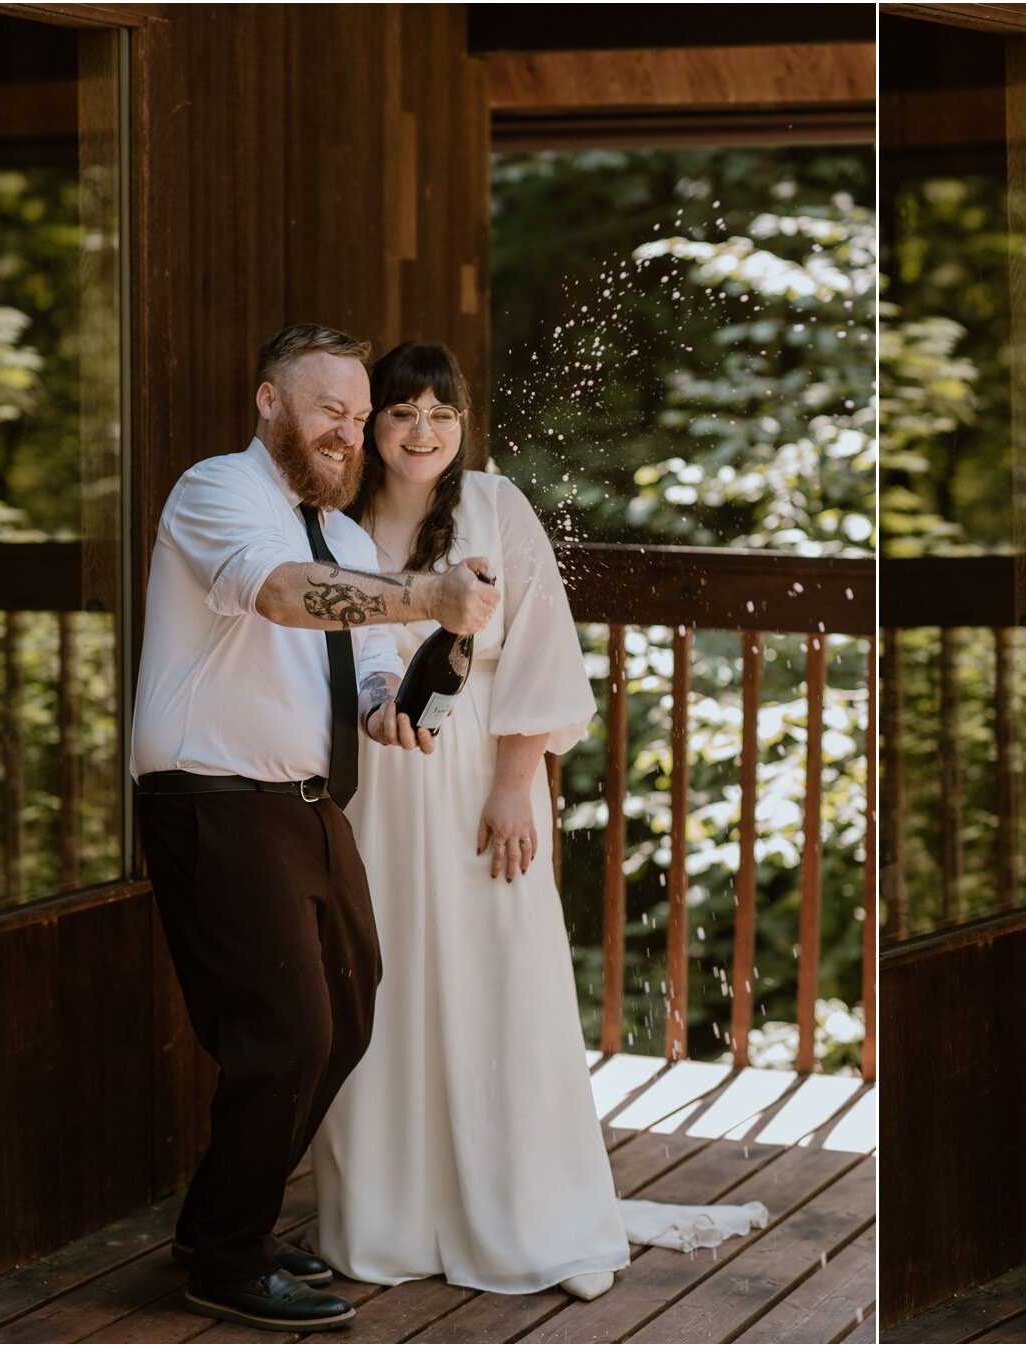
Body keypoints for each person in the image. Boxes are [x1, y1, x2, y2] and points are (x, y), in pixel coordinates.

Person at [310, 342, 763, 1300]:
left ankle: (515, 1204)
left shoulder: (493, 505)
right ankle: (391, 1217)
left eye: (441, 412)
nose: (422, 432)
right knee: (382, 979)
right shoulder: (334, 525)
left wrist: (516, 782)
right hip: (377, 781)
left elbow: (542, 650)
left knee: (493, 976)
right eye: (401, 413)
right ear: (373, 426)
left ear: (463, 421)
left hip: (481, 770)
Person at [131, 324, 500, 1333]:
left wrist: (393, 701)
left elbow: (372, 665)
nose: (344, 430)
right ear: (268, 403)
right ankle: (229, 1263)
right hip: (212, 797)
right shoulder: (217, 492)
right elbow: (284, 598)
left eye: (354, 412)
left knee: (350, 1015)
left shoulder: (343, 537)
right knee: (287, 1034)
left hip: (307, 802)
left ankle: (217, 1226)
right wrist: (424, 592)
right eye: (324, 408)